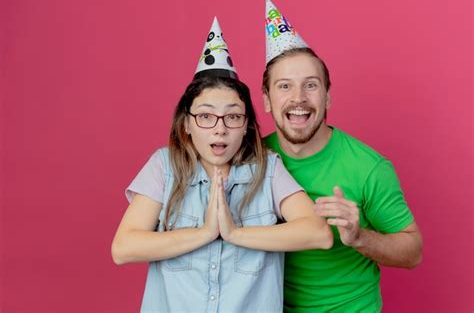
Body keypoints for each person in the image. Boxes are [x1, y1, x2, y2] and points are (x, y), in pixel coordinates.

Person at [111, 17, 333, 312]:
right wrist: (205, 232)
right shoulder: (164, 166)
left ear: (246, 126)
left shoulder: (268, 170)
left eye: (233, 116)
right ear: (187, 124)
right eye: (205, 116)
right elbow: (123, 248)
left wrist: (234, 233)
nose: (220, 129)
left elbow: (319, 233)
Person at [262, 0, 423, 312]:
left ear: (328, 97)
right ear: (267, 100)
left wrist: (359, 236)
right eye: (284, 86)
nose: (298, 99)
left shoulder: (368, 167)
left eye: (311, 85)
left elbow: (413, 252)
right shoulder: (253, 158)